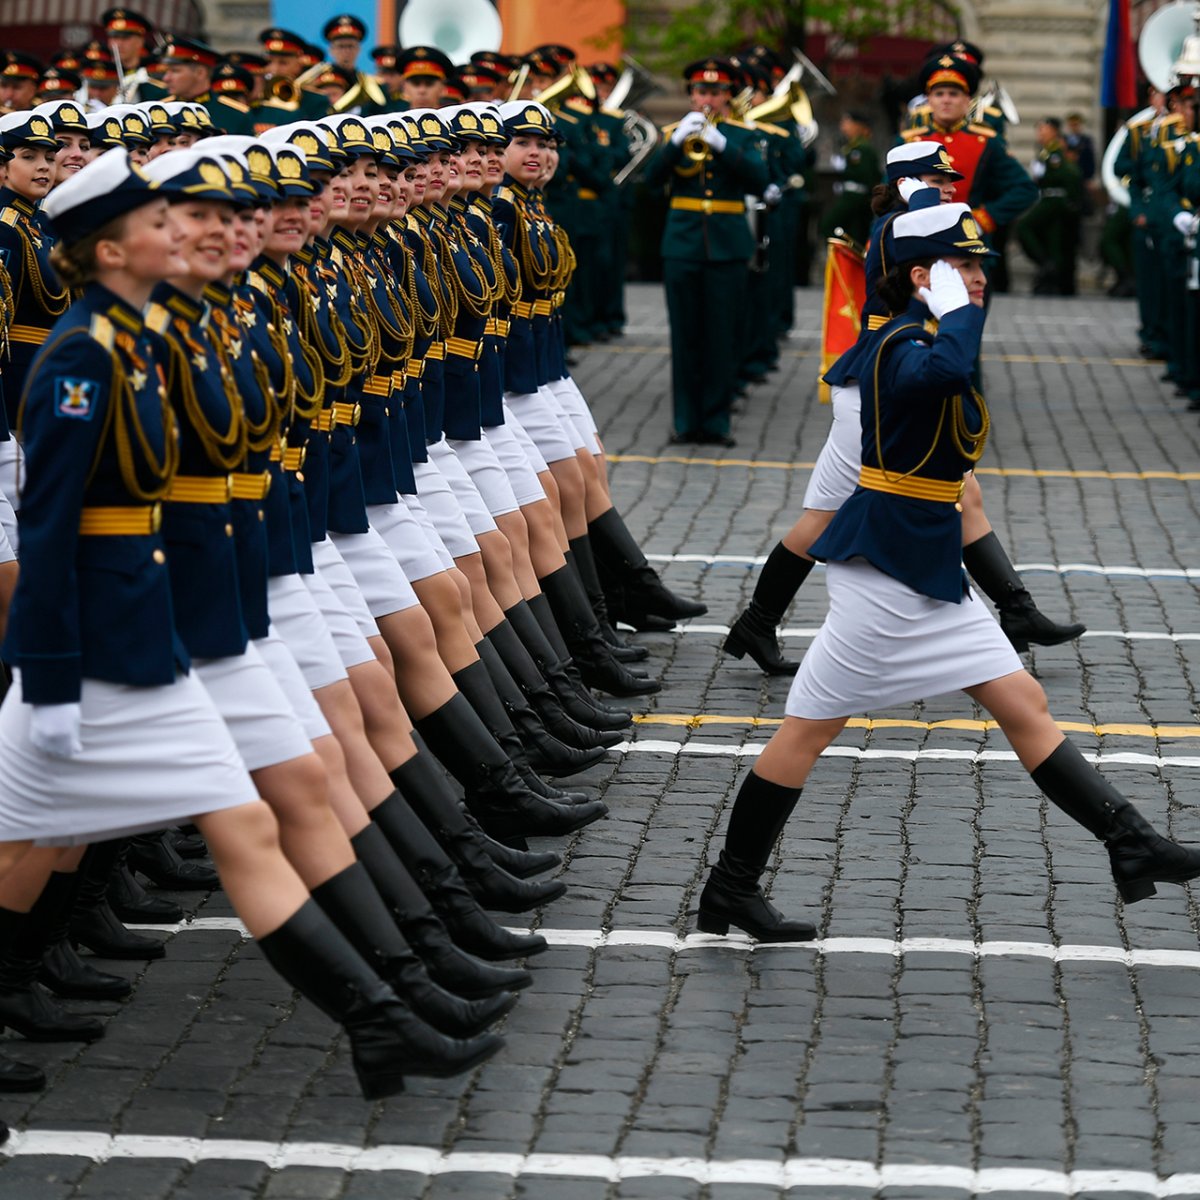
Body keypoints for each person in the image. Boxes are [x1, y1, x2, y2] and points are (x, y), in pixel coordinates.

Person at [0, 147, 502, 1100]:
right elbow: (53, 530)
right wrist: (54, 677)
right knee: (26, 849)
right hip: (103, 654)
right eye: (160, 224)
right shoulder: (79, 358)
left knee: (253, 818)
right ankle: (387, 1015)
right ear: (108, 252)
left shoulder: (143, 342)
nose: (182, 232)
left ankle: (384, 1020)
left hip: (159, 640)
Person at [697, 202, 1200, 942]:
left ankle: (1130, 842)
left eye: (978, 266)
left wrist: (953, 307)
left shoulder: (922, 335)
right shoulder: (900, 346)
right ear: (919, 277)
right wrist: (956, 310)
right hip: (885, 581)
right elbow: (949, 371)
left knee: (1022, 699)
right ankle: (729, 891)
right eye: (961, 267)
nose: (977, 279)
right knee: (805, 733)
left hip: (922, 566)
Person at [724, 144, 1084, 676]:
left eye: (948, 180)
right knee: (840, 515)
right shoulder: (896, 226)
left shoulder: (914, 222)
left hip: (880, 379)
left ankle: (1017, 608)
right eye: (934, 179)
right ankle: (758, 621)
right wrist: (917, 203)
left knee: (957, 492)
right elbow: (915, 249)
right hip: (877, 382)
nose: (947, 187)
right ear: (906, 182)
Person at [644, 57, 768, 446]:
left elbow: (761, 180)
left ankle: (716, 422)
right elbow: (650, 182)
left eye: (716, 92)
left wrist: (722, 145)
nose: (708, 99)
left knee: (722, 336)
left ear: (728, 96)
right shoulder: (673, 133)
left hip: (728, 246)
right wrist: (677, 142)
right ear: (691, 95)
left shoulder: (744, 136)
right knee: (685, 337)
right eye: (701, 91)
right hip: (682, 244)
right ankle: (685, 421)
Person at [1016, 117, 1083, 295]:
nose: (1040, 134)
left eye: (1043, 130)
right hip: (1048, 199)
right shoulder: (1045, 152)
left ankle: (1047, 264)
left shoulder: (1054, 153)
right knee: (1052, 238)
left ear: (1054, 132)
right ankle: (1050, 270)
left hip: (1054, 200)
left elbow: (1067, 175)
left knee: (1025, 227)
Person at [819, 110, 878, 247]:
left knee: (829, 225)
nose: (843, 126)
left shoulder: (862, 148)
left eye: (848, 122)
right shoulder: (852, 147)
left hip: (856, 196)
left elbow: (866, 176)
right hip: (851, 195)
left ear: (858, 126)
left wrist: (845, 170)